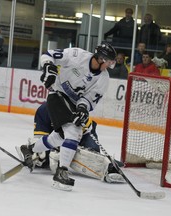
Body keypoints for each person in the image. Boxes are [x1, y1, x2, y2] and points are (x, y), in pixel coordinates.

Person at [18, 42, 117, 191]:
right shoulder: (77, 56)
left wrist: (83, 109)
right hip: (57, 93)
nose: (109, 65)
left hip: (73, 103)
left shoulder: (103, 78)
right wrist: (48, 68)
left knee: (60, 136)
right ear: (101, 58)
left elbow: (89, 99)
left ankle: (30, 149)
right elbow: (48, 55)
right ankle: (61, 171)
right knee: (74, 132)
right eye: (108, 61)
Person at [30, 102, 124, 184]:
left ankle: (108, 167)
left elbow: (77, 134)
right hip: (57, 139)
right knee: (44, 159)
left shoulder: (70, 107)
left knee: (90, 155)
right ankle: (28, 149)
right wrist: (35, 153)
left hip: (84, 134)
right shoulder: (42, 111)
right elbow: (40, 138)